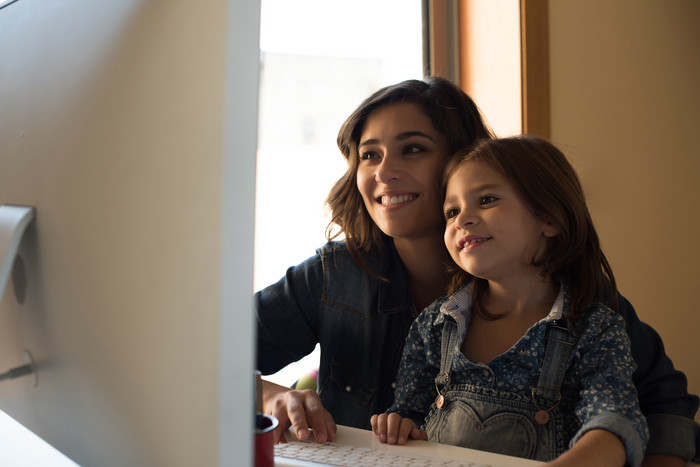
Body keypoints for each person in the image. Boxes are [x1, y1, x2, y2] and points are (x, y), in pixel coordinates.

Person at [255, 77, 699, 465]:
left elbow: (662, 407)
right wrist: (274, 396)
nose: (385, 172)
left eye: (412, 149)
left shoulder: (569, 297)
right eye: (369, 155)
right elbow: (205, 358)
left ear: (462, 162)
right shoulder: (332, 274)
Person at [370, 136, 649, 465]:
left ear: (550, 218)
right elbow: (411, 415)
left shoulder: (596, 330)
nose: (462, 219)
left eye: (486, 199)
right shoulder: (433, 325)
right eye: (452, 211)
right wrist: (398, 425)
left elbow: (613, 424)